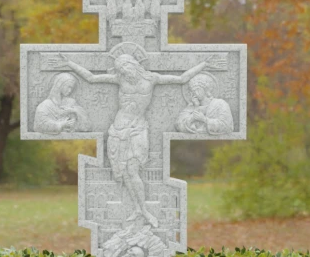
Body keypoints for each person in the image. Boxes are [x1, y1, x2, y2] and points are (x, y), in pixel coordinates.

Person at [60, 51, 218, 227]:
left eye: (125, 66)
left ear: (134, 63)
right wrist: (70, 64)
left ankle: (143, 210)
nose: (124, 71)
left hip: (138, 129)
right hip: (118, 129)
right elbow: (91, 78)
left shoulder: (152, 78)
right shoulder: (120, 79)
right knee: (125, 172)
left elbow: (181, 79)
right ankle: (138, 209)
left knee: (133, 170)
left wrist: (203, 65)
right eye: (120, 69)